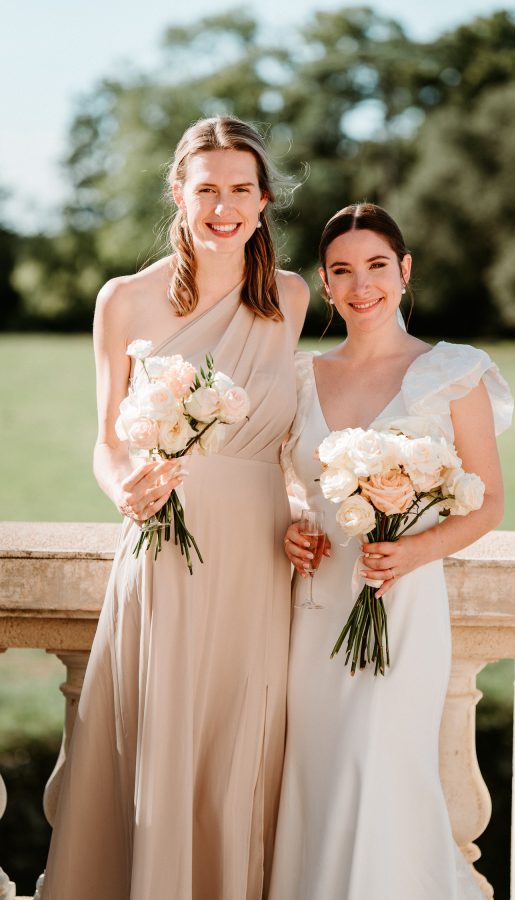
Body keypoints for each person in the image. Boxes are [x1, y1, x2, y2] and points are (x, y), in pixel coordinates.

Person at [42, 116, 309, 900]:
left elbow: (292, 436)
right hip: (163, 550)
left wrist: (303, 508)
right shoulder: (123, 300)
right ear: (179, 194)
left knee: (241, 749)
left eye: (240, 190)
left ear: (263, 202)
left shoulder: (289, 299)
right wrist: (121, 486)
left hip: (258, 557)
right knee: (157, 748)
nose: (222, 206)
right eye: (206, 190)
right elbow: (105, 441)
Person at [270, 203, 513, 900]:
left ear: (404, 272)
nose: (362, 285)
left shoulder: (450, 372)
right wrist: (290, 525)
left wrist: (412, 554)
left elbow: (489, 501)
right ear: (325, 284)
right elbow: (291, 491)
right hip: (316, 610)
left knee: (376, 765)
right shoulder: (299, 378)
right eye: (342, 272)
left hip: (402, 606)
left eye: (377, 266)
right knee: (319, 774)